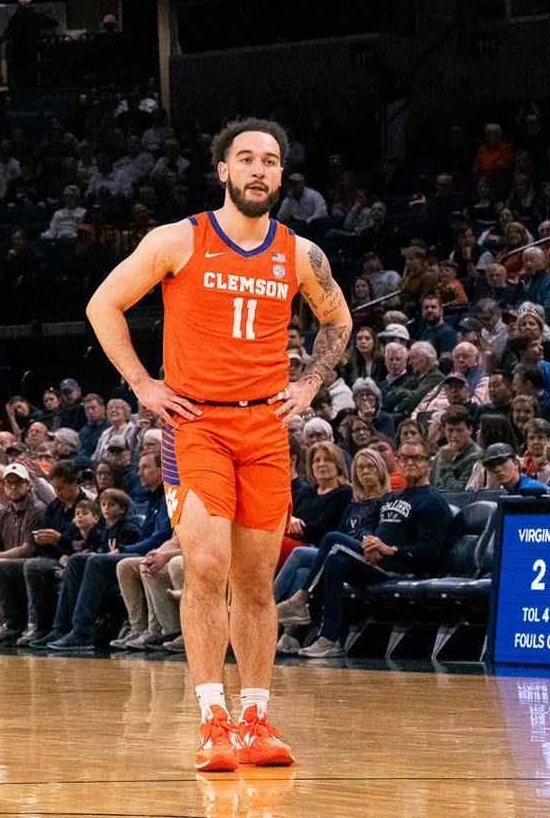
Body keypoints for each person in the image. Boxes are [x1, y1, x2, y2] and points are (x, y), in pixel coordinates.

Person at [85, 118, 351, 772]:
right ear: (223, 170)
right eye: (247, 158)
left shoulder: (300, 253)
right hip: (197, 424)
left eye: (271, 160)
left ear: (281, 174)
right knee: (205, 566)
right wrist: (142, 383)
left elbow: (338, 320)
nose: (259, 169)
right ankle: (212, 720)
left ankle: (254, 718)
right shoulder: (177, 238)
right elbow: (103, 305)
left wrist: (310, 382)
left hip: (265, 429)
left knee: (256, 581)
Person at [297, 444, 451, 658]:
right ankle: (330, 640)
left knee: (332, 539)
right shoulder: (390, 498)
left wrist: (390, 550)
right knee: (334, 563)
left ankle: (300, 600)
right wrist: (369, 543)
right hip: (374, 561)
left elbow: (430, 551)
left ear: (429, 464)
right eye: (404, 458)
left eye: (417, 458)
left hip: (402, 568)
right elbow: (367, 527)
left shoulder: (434, 501)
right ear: (397, 461)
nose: (409, 463)